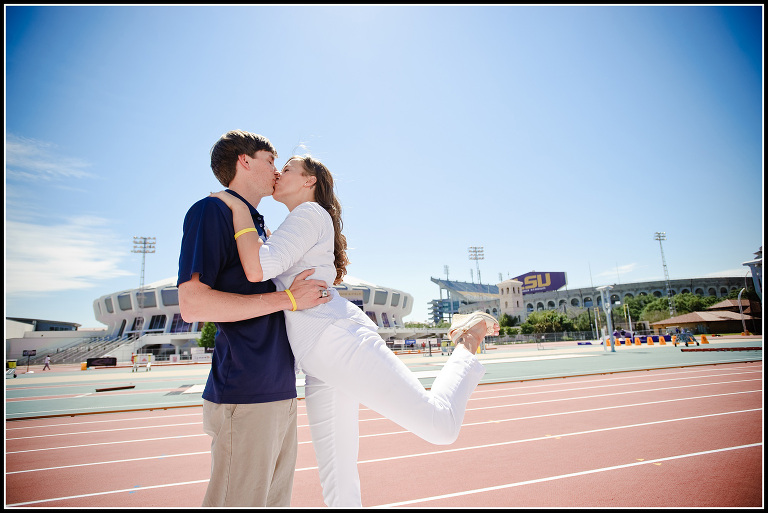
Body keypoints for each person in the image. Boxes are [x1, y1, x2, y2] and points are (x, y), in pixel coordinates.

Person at [210, 154, 499, 507]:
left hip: (337, 340)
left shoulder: (309, 213)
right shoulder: (299, 221)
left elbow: (260, 267)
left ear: (308, 181)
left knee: (440, 426)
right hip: (320, 358)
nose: (277, 173)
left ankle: (467, 340)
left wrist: (236, 206)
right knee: (337, 477)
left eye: (286, 168)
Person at [177, 130, 332, 507]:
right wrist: (288, 298)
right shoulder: (211, 211)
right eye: (270, 159)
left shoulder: (258, 225)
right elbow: (193, 306)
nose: (277, 170)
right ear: (244, 161)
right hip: (245, 391)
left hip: (279, 388)